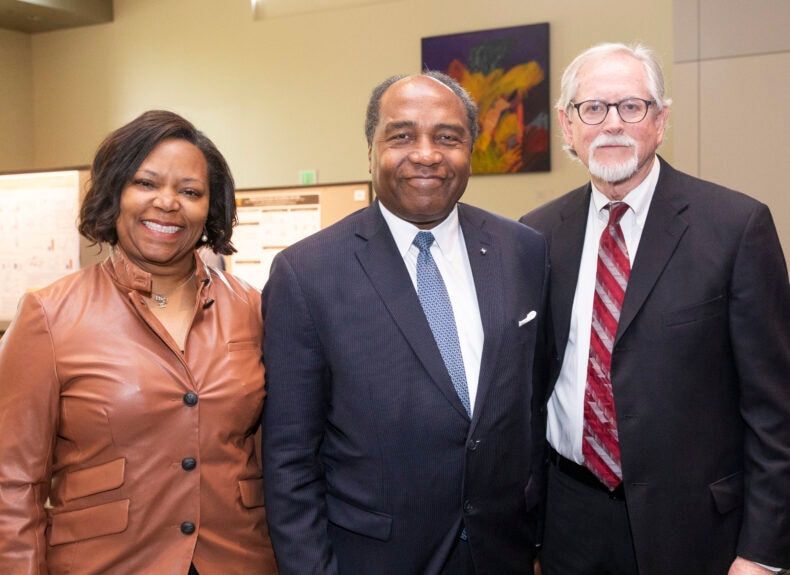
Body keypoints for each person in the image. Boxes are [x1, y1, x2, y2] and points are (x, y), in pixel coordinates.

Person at [261, 71, 548, 575]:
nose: (426, 154)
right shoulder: (306, 273)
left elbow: (531, 406)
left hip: (501, 552)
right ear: (369, 151)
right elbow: (289, 459)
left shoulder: (521, 248)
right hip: (372, 557)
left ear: (470, 151)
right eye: (402, 135)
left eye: (447, 137)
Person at [520, 42, 790, 575]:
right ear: (567, 126)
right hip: (569, 520)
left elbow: (775, 413)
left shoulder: (736, 228)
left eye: (632, 106)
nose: (612, 123)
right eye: (593, 108)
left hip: (698, 529)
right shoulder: (535, 235)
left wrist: (761, 553)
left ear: (661, 120)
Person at [0, 110, 278, 574]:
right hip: (107, 563)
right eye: (145, 184)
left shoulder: (253, 309)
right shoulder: (49, 316)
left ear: (211, 207)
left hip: (240, 559)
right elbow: (12, 484)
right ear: (115, 194)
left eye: (190, 192)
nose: (167, 203)